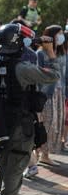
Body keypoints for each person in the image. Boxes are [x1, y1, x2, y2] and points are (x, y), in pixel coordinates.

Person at [0, 23, 60, 195]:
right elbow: (53, 75)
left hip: (2, 122)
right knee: (17, 165)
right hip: (19, 123)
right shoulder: (21, 68)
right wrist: (50, 51)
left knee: (5, 164)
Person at [35, 26, 66, 165]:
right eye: (58, 34)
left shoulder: (61, 53)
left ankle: (45, 154)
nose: (61, 37)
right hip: (46, 94)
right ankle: (39, 153)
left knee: (55, 124)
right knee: (45, 123)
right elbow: (37, 75)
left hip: (58, 93)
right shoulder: (40, 54)